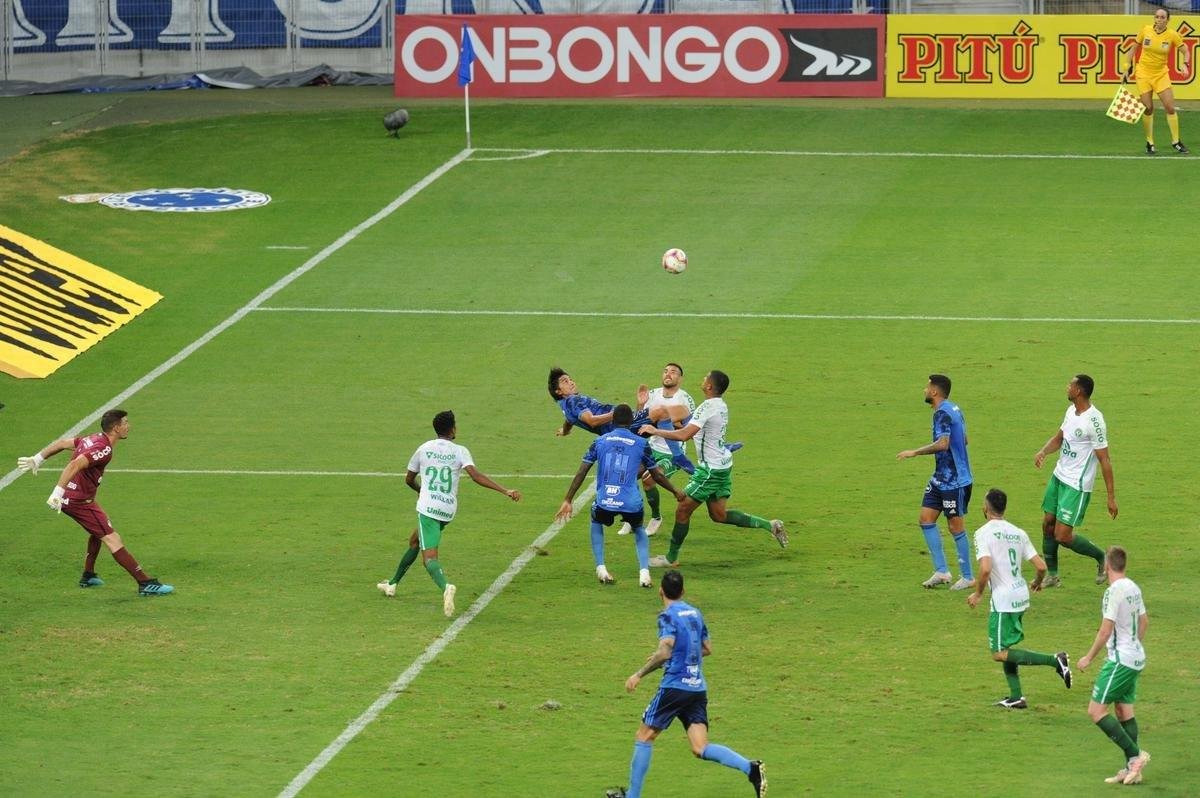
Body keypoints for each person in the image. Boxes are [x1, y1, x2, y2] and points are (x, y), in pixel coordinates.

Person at [613, 570, 766, 798]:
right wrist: (676, 655)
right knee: (700, 747)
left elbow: (665, 651)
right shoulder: (695, 613)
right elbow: (707, 648)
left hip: (675, 687)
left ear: (660, 591)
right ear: (683, 591)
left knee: (644, 736)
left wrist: (638, 674)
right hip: (697, 688)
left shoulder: (667, 616)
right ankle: (750, 768)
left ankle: (632, 796)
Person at [376, 410, 520, 617]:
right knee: (415, 540)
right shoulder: (460, 451)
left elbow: (408, 479)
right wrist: (505, 490)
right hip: (447, 510)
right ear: (452, 429)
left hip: (428, 509)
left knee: (429, 559)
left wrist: (422, 491)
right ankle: (392, 583)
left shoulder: (424, 448)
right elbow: (476, 476)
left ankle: (446, 587)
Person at [638, 370, 787, 567]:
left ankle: (670, 558)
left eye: (705, 378)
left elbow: (685, 435)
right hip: (722, 465)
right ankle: (771, 525)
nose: (703, 379)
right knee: (719, 515)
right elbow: (694, 430)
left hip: (710, 470)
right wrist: (680, 425)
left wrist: (655, 430)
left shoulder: (707, 407)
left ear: (709, 386)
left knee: (683, 510)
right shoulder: (720, 405)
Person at [16, 409, 173, 596]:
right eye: (125, 423)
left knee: (98, 531)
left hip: (77, 498)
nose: (128, 426)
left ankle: (88, 575)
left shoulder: (93, 438)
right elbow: (74, 464)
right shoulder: (103, 449)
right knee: (112, 538)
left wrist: (37, 459)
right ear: (116, 428)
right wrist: (57, 492)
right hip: (79, 501)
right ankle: (145, 583)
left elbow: (61, 443)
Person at [966, 488, 1072, 709]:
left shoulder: (983, 533)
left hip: (1003, 600)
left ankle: (1055, 660)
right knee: (1007, 648)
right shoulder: (1018, 532)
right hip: (1021, 594)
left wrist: (978, 593)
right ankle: (1016, 697)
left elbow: (985, 569)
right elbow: (1041, 567)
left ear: (985, 508)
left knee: (999, 653)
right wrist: (1037, 582)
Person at [556, 405, 684, 586]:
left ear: (612, 421)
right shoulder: (642, 443)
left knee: (596, 521)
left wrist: (568, 499)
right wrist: (675, 491)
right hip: (631, 502)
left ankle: (601, 567)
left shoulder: (599, 441)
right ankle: (644, 573)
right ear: (632, 422)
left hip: (604, 501)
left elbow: (582, 471)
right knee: (638, 528)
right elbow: (657, 475)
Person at [1033, 374, 1116, 587]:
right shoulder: (1071, 411)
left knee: (1062, 535)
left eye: (1070, 385)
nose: (1067, 387)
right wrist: (1043, 451)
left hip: (1076, 485)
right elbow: (1059, 438)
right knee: (1047, 524)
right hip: (1059, 476)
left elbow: (1105, 459)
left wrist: (1110, 497)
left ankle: (1102, 557)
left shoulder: (1094, 421)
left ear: (1078, 391)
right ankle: (1052, 575)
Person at [1078, 546, 1151, 785]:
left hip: (1121, 660)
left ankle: (1135, 756)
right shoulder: (1133, 587)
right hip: (1136, 657)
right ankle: (1132, 770)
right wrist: (1134, 645)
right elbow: (1144, 621)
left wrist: (1088, 657)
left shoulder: (1113, 592)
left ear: (1107, 566)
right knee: (1123, 710)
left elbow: (1105, 630)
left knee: (1096, 711)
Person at [896, 374, 975, 591]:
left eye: (927, 387)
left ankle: (968, 577)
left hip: (955, 481)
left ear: (934, 391)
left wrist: (914, 452)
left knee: (955, 526)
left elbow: (943, 444)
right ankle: (941, 571)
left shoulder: (942, 413)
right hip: (941, 478)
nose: (924, 390)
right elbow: (965, 439)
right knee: (926, 519)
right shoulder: (954, 408)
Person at [548, 367, 694, 473]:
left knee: (674, 413)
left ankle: (682, 436)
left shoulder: (565, 406)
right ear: (558, 391)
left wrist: (565, 431)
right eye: (565, 381)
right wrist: (616, 413)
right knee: (665, 411)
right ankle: (680, 453)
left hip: (619, 427)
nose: (571, 382)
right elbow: (591, 421)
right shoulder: (573, 401)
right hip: (622, 424)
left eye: (570, 379)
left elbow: (570, 419)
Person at [619, 362, 696, 538]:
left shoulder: (685, 399)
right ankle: (632, 518)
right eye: (666, 371)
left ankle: (656, 518)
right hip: (651, 447)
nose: (668, 374)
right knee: (627, 476)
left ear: (680, 378)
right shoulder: (652, 395)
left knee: (648, 480)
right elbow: (639, 421)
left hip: (672, 452)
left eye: (673, 372)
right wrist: (640, 405)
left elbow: (690, 429)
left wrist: (665, 422)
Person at [1126, 7, 1190, 155]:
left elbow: (1186, 51)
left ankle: (1176, 141)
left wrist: (1185, 64)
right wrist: (1126, 66)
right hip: (1143, 74)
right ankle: (1150, 142)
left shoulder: (1172, 35)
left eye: (1162, 17)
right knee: (1148, 108)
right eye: (1157, 17)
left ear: (1168, 20)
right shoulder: (1145, 30)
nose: (1159, 20)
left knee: (1170, 107)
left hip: (1161, 74)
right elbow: (1133, 48)